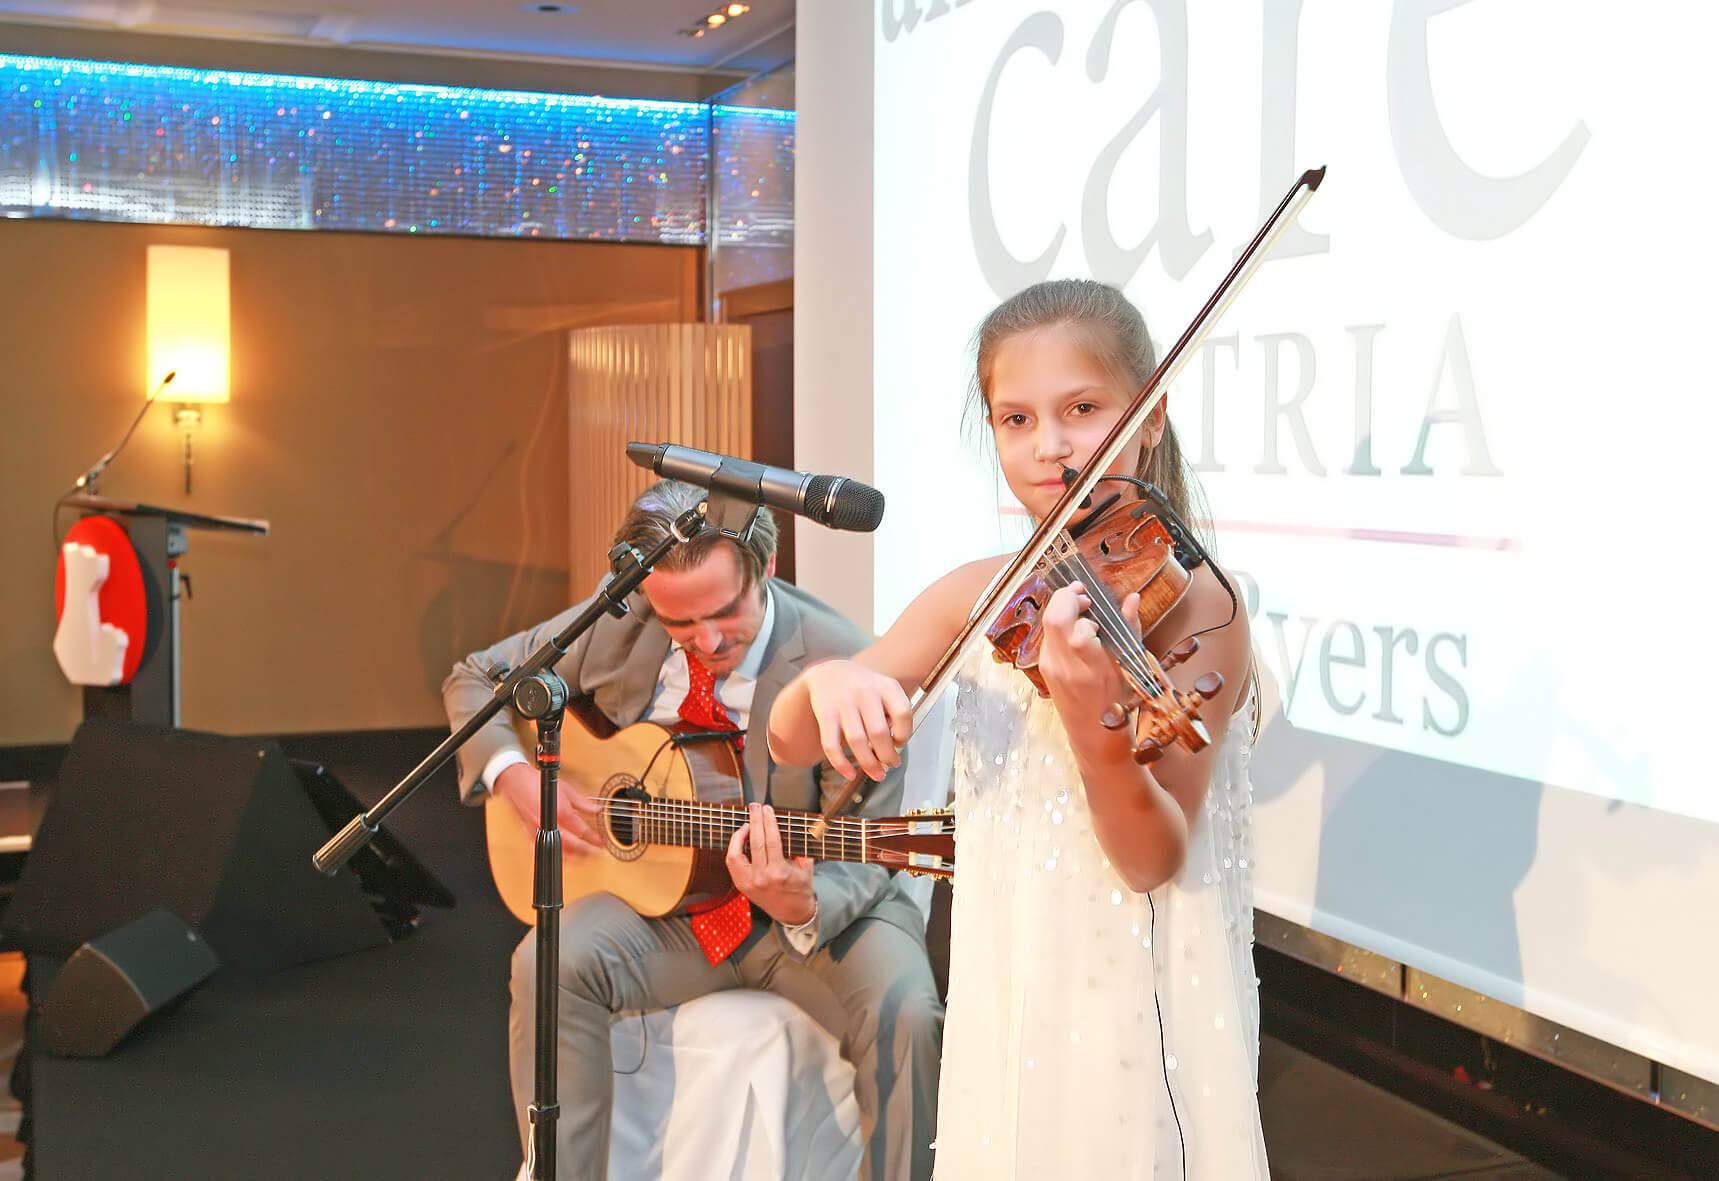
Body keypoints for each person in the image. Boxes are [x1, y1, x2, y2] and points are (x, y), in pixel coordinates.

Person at [768, 279, 1268, 1178]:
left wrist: (1093, 722)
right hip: (1013, 987)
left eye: (1083, 409)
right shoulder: (983, 593)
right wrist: (827, 683)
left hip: (1143, 1006)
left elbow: (1151, 858)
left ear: (1149, 416)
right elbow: (788, 739)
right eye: (1016, 419)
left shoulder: (1199, 605)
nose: (1051, 447)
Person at [443, 479, 943, 1181]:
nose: (707, 641)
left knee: (908, 1013)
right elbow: (475, 677)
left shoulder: (845, 661)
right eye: (679, 622)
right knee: (545, 963)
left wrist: (802, 902)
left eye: (726, 612)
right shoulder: (623, 618)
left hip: (812, 915)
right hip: (670, 911)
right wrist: (515, 777)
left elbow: (870, 843)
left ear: (765, 569)